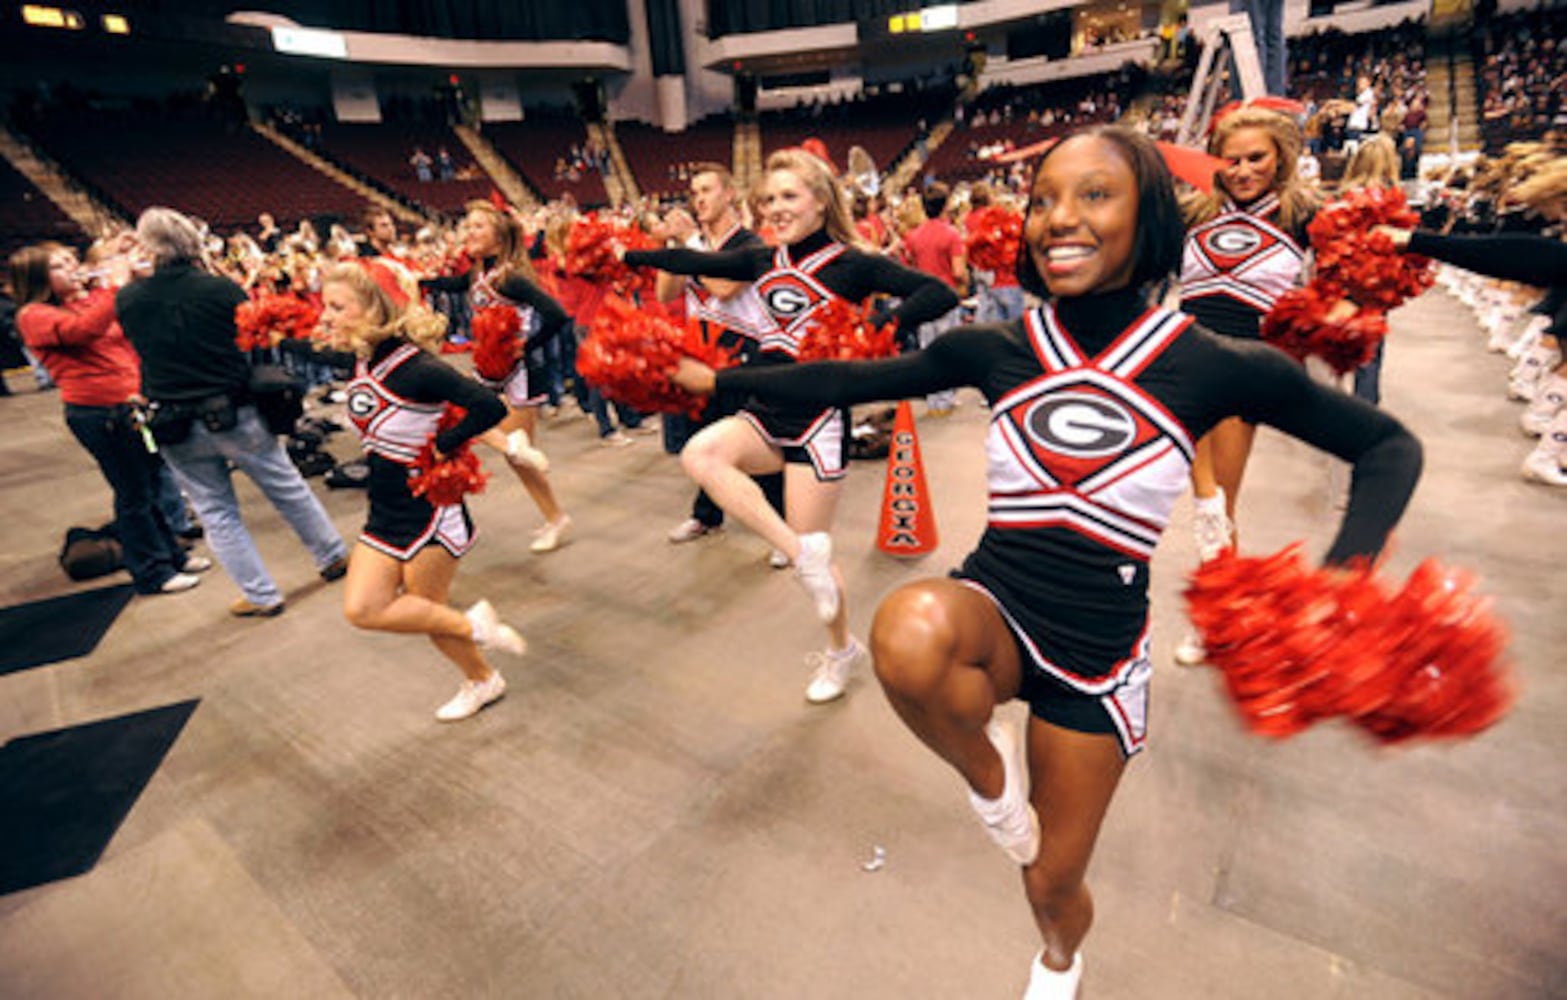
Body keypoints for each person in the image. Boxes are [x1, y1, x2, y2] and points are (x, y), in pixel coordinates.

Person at [673, 125, 1422, 998]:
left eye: (1093, 195)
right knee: (909, 630)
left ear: (1146, 218)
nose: (1058, 219)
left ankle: (1057, 962)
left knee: (1050, 883)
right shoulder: (998, 348)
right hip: (994, 610)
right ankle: (992, 785)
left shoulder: (1209, 365)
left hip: (1099, 659)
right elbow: (843, 381)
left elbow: (1386, 448)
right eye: (1043, 200)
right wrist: (714, 387)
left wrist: (1340, 578)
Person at [625, 147, 958, 704]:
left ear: (822, 201)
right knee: (702, 456)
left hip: (818, 418)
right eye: (768, 199)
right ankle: (801, 557)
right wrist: (633, 255)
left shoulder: (853, 262)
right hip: (765, 403)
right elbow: (691, 265)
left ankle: (838, 648)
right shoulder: (762, 258)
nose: (775, 208)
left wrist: (881, 322)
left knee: (819, 555)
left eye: (788, 196)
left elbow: (939, 292)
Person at [116, 207, 349, 617]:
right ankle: (331, 555)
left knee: (216, 511)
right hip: (236, 409)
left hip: (175, 419)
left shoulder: (129, 298)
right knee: (286, 486)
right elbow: (250, 342)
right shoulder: (222, 290)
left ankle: (261, 595)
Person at [319, 261, 523, 721]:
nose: (326, 316)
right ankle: (474, 629)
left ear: (375, 308)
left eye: (337, 307)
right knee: (363, 608)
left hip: (430, 510)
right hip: (385, 510)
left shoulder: (417, 367)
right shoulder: (364, 357)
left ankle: (482, 679)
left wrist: (445, 444)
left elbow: (488, 405)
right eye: (324, 306)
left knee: (425, 610)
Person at [1174, 104, 1320, 664]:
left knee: (1216, 503)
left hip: (1243, 372)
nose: (1240, 170)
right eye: (1229, 159)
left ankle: (1217, 618)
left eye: (1254, 158)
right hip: (1180, 363)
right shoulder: (1192, 213)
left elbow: (1351, 281)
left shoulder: (1303, 216)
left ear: (1280, 156)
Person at [11, 240, 208, 595]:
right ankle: (152, 572)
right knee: (133, 493)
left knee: (153, 486)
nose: (72, 267)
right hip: (99, 414)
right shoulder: (32, 314)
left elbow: (122, 325)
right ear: (38, 276)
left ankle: (172, 555)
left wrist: (135, 280)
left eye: (72, 260)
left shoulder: (88, 301)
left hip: (131, 406)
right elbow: (83, 331)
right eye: (59, 265)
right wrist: (116, 284)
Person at [422, 201, 574, 553]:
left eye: (478, 226)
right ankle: (548, 510)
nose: (468, 232)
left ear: (499, 237)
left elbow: (556, 314)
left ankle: (556, 518)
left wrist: (527, 344)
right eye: (467, 225)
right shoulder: (479, 274)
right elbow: (451, 283)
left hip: (518, 374)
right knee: (464, 422)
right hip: (488, 369)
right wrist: (414, 279)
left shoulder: (509, 277)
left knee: (518, 455)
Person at [652, 162, 787, 550]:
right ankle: (706, 515)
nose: (699, 200)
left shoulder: (750, 244)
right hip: (702, 356)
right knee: (704, 441)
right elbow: (665, 294)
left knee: (756, 444)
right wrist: (674, 246)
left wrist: (691, 243)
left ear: (729, 194)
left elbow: (725, 287)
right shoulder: (696, 246)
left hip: (745, 356)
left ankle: (781, 531)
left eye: (706, 190)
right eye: (694, 193)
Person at [1338, 135, 1403, 406]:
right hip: (1378, 281)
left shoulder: (1343, 198)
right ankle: (1364, 409)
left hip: (1343, 278)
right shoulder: (1395, 201)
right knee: (1371, 350)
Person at [901, 182, 969, 416]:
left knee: (927, 350)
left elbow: (908, 267)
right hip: (946, 297)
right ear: (946, 205)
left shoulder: (913, 235)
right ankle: (944, 400)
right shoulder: (952, 234)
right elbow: (959, 271)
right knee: (949, 349)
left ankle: (933, 400)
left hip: (923, 298)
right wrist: (964, 283)